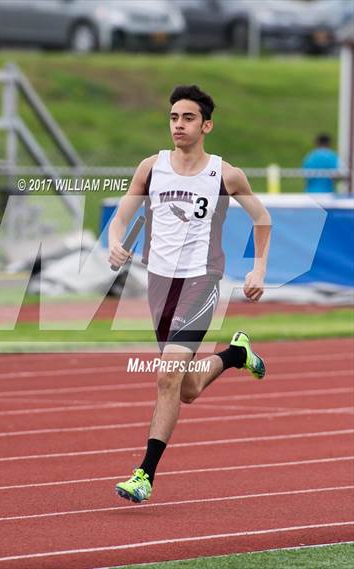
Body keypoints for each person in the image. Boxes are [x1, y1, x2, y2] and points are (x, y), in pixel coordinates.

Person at [108, 84, 271, 503]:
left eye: (188, 118)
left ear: (207, 125)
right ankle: (235, 355)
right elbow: (124, 211)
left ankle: (144, 475)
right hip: (159, 284)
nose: (178, 125)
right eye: (174, 117)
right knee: (186, 388)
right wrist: (114, 240)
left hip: (201, 281)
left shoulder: (225, 174)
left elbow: (262, 218)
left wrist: (258, 268)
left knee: (166, 376)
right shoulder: (151, 167)